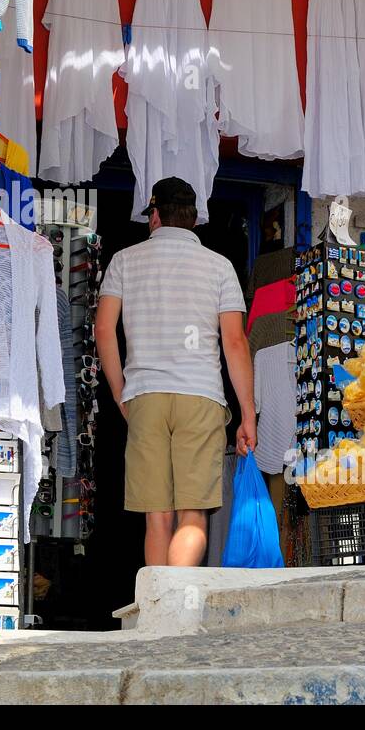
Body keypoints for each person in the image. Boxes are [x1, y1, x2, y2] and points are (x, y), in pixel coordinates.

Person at [95, 177, 256, 568]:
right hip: (201, 396)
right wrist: (248, 414)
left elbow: (103, 330)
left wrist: (121, 394)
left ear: (155, 216)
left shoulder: (125, 261)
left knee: (157, 517)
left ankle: (152, 618)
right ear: (194, 219)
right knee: (193, 514)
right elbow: (234, 343)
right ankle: (176, 613)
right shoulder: (219, 267)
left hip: (146, 394)